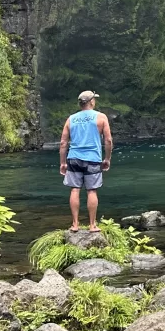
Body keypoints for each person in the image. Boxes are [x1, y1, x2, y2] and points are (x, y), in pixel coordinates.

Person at [60, 90, 113, 232]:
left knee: (75, 189)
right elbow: (108, 140)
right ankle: (92, 225)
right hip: (93, 159)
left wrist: (62, 162)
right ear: (91, 102)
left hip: (74, 158)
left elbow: (63, 143)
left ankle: (75, 224)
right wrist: (107, 159)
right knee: (92, 191)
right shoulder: (101, 117)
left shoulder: (71, 119)